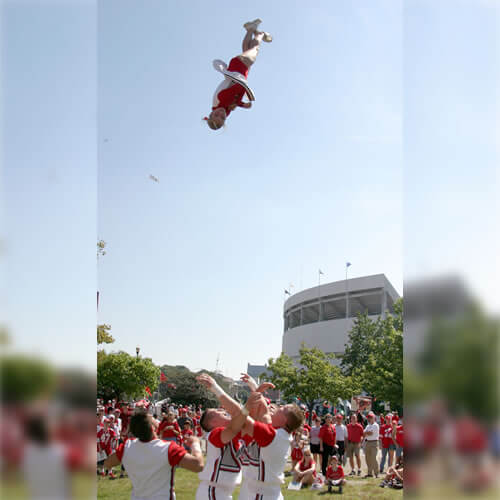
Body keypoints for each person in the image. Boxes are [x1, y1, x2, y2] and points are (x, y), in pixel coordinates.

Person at [104, 408, 204, 499]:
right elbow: (198, 465)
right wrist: (196, 443)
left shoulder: (127, 447)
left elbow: (107, 463)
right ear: (152, 427)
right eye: (153, 419)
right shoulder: (168, 448)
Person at [205, 19, 272, 130]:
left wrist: (247, 100)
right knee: (247, 49)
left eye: (217, 115)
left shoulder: (221, 100)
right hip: (240, 71)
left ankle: (260, 34)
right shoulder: (223, 108)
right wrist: (242, 105)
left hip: (238, 68)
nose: (221, 114)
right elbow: (233, 97)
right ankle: (250, 29)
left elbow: (239, 87)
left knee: (255, 49)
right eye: (222, 118)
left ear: (211, 114)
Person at [363, 412, 379, 478]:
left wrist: (366, 432)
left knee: (373, 458)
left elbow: (370, 433)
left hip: (374, 443)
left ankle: (376, 473)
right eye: (368, 418)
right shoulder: (368, 425)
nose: (369, 419)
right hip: (368, 442)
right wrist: (366, 433)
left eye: (370, 418)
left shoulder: (375, 425)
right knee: (367, 458)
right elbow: (364, 433)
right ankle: (370, 473)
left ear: (374, 418)